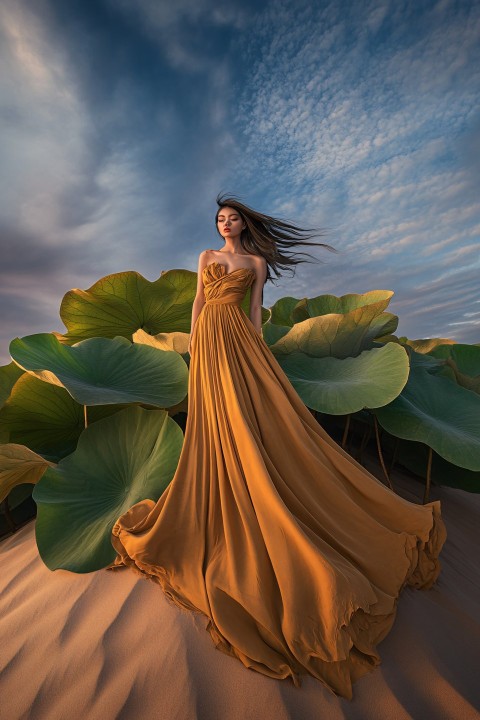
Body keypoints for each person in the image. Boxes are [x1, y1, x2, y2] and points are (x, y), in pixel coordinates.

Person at [107, 193, 447, 700]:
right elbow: (200, 302)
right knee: (215, 421)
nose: (225, 224)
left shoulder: (256, 263)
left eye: (232, 217)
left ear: (245, 222)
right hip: (208, 344)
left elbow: (255, 312)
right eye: (220, 218)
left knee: (255, 418)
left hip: (241, 343)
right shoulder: (207, 259)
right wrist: (197, 343)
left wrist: (259, 355)